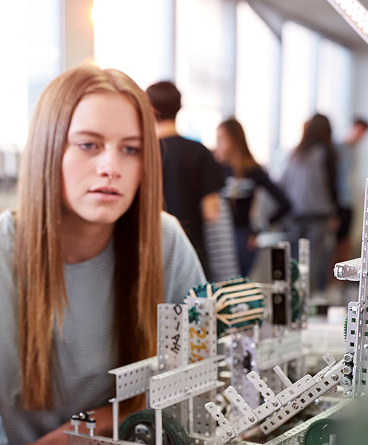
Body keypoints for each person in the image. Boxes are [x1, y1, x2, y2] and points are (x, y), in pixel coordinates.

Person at [0, 66, 205, 445]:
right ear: (48, 148)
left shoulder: (165, 241)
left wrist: (83, 428)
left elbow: (195, 385)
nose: (110, 167)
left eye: (131, 149)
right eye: (88, 145)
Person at [145, 81, 238, 282]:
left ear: (149, 108)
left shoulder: (142, 153)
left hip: (149, 258)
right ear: (178, 108)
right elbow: (212, 213)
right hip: (192, 258)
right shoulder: (199, 152)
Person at [214, 118, 293, 277]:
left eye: (222, 139)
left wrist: (259, 230)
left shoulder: (252, 170)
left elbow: (285, 204)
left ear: (234, 140)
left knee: (239, 287)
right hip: (219, 237)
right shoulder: (216, 168)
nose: (218, 144)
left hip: (242, 238)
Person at [280, 113, 341, 293]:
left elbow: (283, 184)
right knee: (314, 263)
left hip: (293, 214)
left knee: (294, 263)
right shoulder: (326, 153)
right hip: (318, 215)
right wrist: (335, 213)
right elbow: (331, 186)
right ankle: (310, 302)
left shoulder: (295, 153)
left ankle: (294, 302)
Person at [332, 117, 368, 272]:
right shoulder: (337, 149)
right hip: (338, 202)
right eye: (358, 131)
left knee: (346, 242)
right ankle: (331, 282)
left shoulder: (353, 151)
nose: (359, 136)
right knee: (336, 243)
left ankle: (340, 282)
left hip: (349, 201)